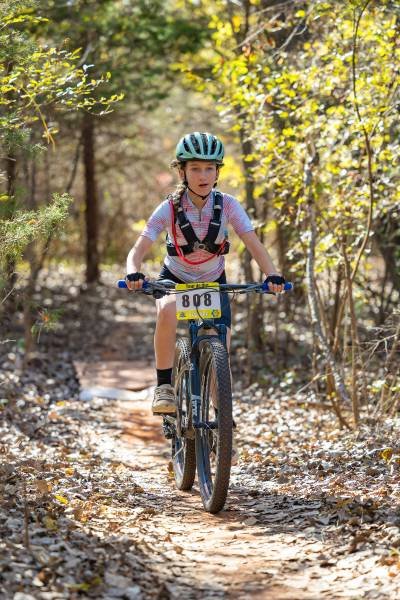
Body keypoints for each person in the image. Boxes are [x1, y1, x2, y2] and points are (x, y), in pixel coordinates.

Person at [126, 131, 285, 415]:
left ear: (217, 172)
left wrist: (272, 274)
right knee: (167, 310)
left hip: (213, 281)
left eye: (209, 168)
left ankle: (219, 416)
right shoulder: (169, 208)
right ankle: (164, 386)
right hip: (175, 278)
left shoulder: (228, 205)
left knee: (220, 348)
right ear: (182, 172)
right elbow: (138, 249)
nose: (203, 175)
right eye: (195, 168)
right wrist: (132, 272)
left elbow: (253, 242)